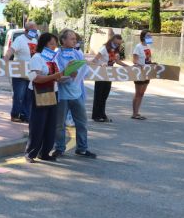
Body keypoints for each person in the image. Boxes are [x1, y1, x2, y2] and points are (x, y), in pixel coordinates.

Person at [52, 29, 97, 159]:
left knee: (81, 123)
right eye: (71, 38)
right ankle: (59, 148)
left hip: (76, 93)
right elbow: (55, 75)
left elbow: (84, 70)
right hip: (62, 95)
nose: (74, 41)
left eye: (75, 39)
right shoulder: (57, 54)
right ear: (63, 40)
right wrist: (67, 74)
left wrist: (78, 73)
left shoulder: (78, 54)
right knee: (59, 124)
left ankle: (82, 149)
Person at [25, 32, 63, 163]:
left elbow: (56, 76)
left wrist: (68, 74)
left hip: (53, 92)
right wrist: (55, 76)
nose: (54, 46)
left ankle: (45, 152)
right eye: (51, 43)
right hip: (39, 92)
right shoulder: (37, 57)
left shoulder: (53, 58)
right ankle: (30, 153)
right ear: (44, 44)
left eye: (55, 44)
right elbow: (36, 78)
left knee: (50, 124)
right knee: (38, 124)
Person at [3, 21, 39, 123]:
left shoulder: (35, 41)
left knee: (29, 95)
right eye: (32, 30)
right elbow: (11, 50)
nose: (34, 32)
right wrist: (5, 59)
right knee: (19, 95)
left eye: (35, 30)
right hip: (19, 71)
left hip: (31, 72)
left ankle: (25, 115)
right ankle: (15, 114)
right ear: (26, 30)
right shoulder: (19, 40)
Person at [91, 34, 127, 122]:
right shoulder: (104, 49)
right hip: (101, 73)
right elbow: (94, 61)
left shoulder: (114, 50)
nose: (117, 45)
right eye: (116, 43)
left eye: (119, 44)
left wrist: (127, 66)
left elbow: (117, 61)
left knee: (105, 95)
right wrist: (101, 64)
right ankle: (96, 115)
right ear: (112, 41)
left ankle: (102, 114)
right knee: (98, 95)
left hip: (110, 74)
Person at [131, 29, 156, 120]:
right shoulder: (138, 47)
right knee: (138, 93)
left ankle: (137, 112)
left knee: (142, 93)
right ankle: (134, 113)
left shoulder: (148, 46)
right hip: (139, 72)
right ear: (143, 37)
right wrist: (140, 65)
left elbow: (148, 59)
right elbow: (134, 60)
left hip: (147, 72)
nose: (150, 37)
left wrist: (152, 63)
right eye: (148, 36)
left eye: (151, 35)